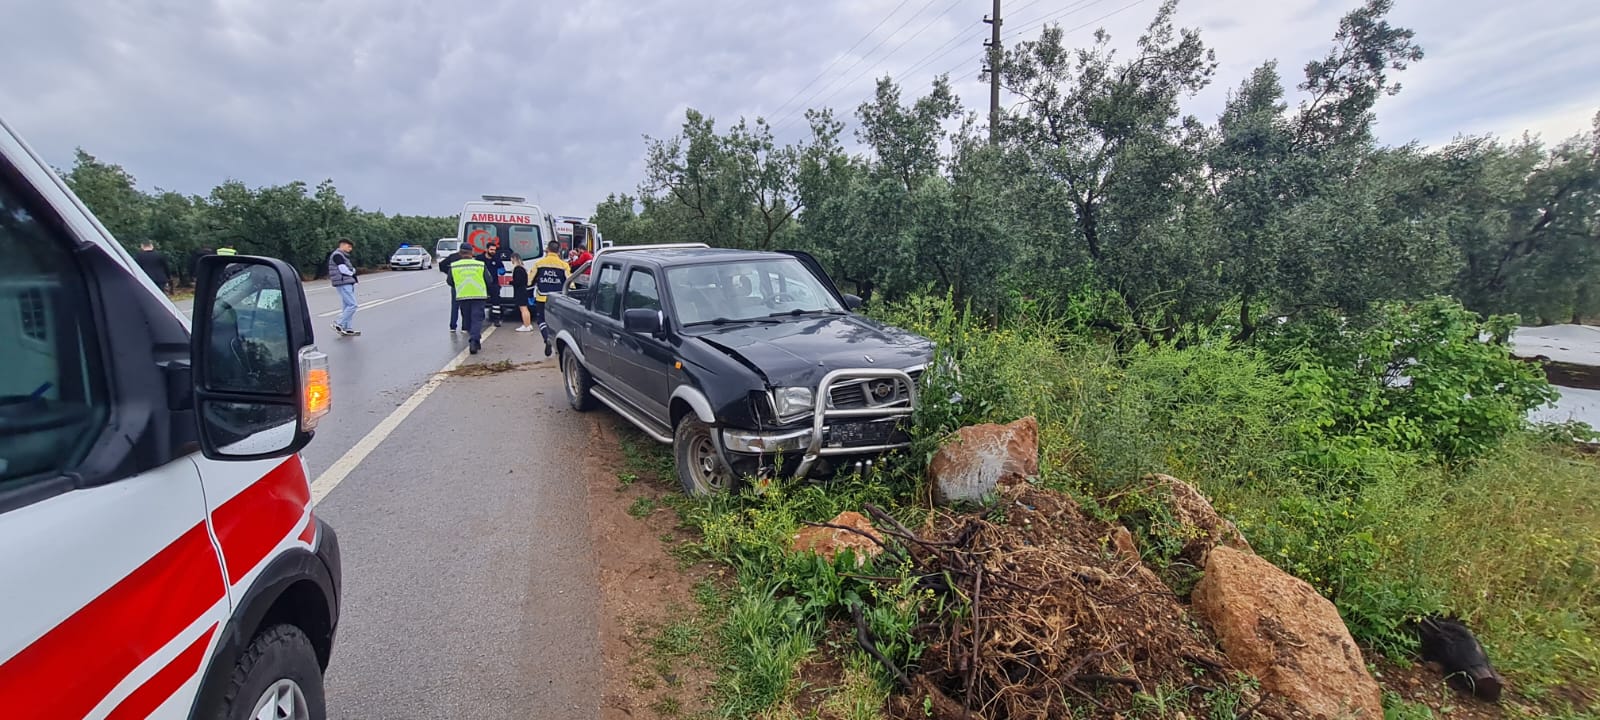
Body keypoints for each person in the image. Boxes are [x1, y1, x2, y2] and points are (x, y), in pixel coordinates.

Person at [531, 240, 571, 357]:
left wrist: (528, 293)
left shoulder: (539, 264)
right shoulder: (564, 265)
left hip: (542, 298)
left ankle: (546, 338)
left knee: (542, 320)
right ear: (559, 251)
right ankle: (557, 344)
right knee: (558, 322)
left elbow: (529, 280)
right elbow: (570, 283)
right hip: (558, 300)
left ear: (547, 250)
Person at [449, 246, 492, 353]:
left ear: (460, 253)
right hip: (478, 296)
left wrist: (459, 286)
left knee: (467, 320)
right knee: (477, 319)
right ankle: (474, 340)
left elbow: (450, 281)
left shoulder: (454, 266)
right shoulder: (480, 264)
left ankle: (474, 338)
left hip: (463, 296)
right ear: (472, 252)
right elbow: (489, 280)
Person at [327, 238, 360, 336]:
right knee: (352, 305)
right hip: (343, 282)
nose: (350, 249)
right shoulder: (338, 255)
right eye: (349, 247)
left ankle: (347, 328)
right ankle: (338, 323)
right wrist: (352, 272)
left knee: (347, 306)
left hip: (346, 282)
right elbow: (343, 269)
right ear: (343, 245)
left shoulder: (342, 256)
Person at [475, 242, 511, 327]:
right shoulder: (479, 258)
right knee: (480, 302)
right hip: (481, 284)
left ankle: (496, 319)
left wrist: (502, 271)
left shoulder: (496, 258)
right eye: (491, 250)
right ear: (486, 249)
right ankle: (479, 319)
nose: (493, 251)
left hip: (493, 283)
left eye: (494, 250)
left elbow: (502, 268)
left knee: (496, 302)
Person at [439, 248, 470, 332]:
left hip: (455, 285)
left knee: (455, 307)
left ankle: (453, 326)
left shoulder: (453, 257)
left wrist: (449, 272)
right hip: (465, 285)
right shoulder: (469, 258)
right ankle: (465, 327)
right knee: (465, 306)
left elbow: (441, 265)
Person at [509, 254, 534, 332]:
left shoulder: (517, 269)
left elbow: (518, 281)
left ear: (514, 259)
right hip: (524, 290)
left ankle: (526, 325)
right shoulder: (523, 269)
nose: (511, 261)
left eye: (511, 259)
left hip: (520, 291)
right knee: (525, 308)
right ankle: (528, 324)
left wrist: (511, 282)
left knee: (523, 309)